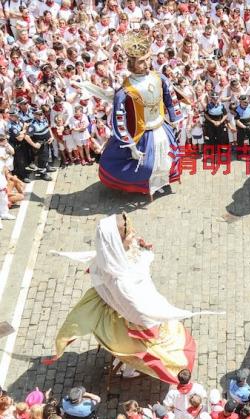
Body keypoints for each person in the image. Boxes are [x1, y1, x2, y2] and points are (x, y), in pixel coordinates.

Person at [45, 213, 220, 383]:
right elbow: (137, 311)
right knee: (155, 350)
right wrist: (160, 314)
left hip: (123, 309)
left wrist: (143, 250)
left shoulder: (109, 256)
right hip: (129, 320)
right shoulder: (119, 280)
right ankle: (129, 369)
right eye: (130, 234)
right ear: (116, 241)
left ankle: (125, 363)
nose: (134, 235)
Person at [95, 31, 183, 201]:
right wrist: (131, 145)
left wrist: (175, 118)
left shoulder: (160, 78)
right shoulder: (125, 91)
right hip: (142, 134)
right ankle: (147, 188)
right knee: (147, 166)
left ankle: (162, 183)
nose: (147, 64)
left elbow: (170, 97)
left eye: (148, 59)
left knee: (166, 159)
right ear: (132, 64)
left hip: (161, 127)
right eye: (142, 61)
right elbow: (119, 121)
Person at [24, 108, 55, 180]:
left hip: (47, 142)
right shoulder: (32, 125)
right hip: (41, 144)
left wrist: (52, 137)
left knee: (46, 157)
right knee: (42, 160)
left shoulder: (44, 119)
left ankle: (47, 167)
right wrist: (34, 145)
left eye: (41, 114)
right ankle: (42, 174)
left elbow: (48, 128)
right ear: (35, 115)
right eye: (38, 114)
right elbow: (26, 136)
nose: (41, 115)